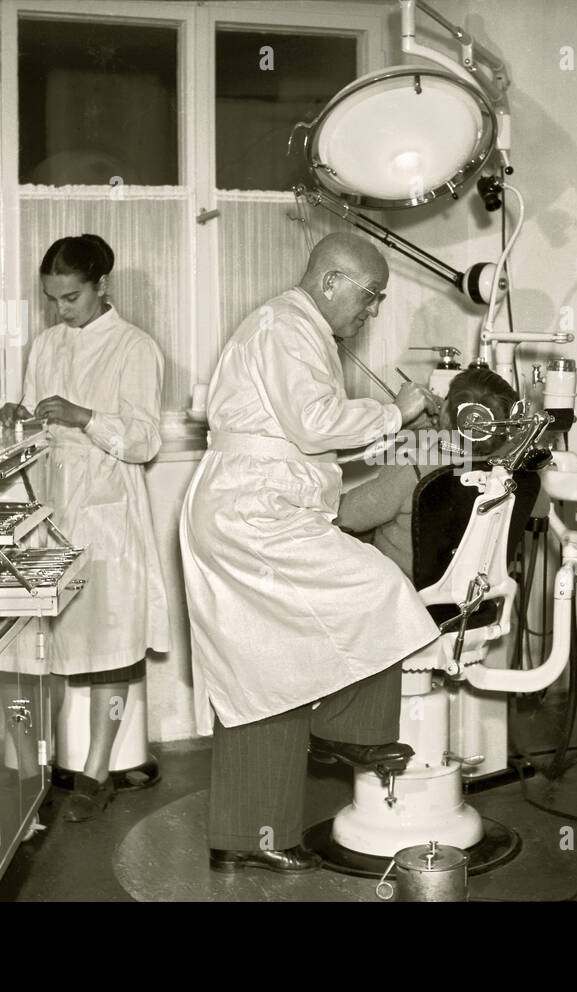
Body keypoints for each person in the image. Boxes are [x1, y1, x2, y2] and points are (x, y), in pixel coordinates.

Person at [180, 233, 442, 875]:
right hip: (255, 520)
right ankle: (347, 731)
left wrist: (389, 428)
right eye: (370, 295)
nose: (372, 310)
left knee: (261, 675)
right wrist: (398, 410)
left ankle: (245, 838)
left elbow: (304, 435)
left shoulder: (295, 329)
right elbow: (315, 423)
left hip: (255, 511)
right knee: (379, 590)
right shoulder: (286, 326)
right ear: (332, 282)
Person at [0, 234, 169, 822]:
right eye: (52, 299)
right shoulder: (45, 344)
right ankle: (30, 774)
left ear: (103, 287)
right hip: (47, 509)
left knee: (108, 649)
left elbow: (145, 439)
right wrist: (17, 419)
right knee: (23, 651)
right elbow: (33, 424)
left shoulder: (134, 347)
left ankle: (97, 772)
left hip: (106, 516)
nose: (60, 310)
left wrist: (84, 416)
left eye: (70, 297)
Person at [336, 367, 519, 582]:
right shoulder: (510, 472)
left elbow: (346, 515)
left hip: (407, 597)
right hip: (474, 596)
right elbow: (539, 506)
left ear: (451, 418)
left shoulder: (413, 467)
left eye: (447, 399)